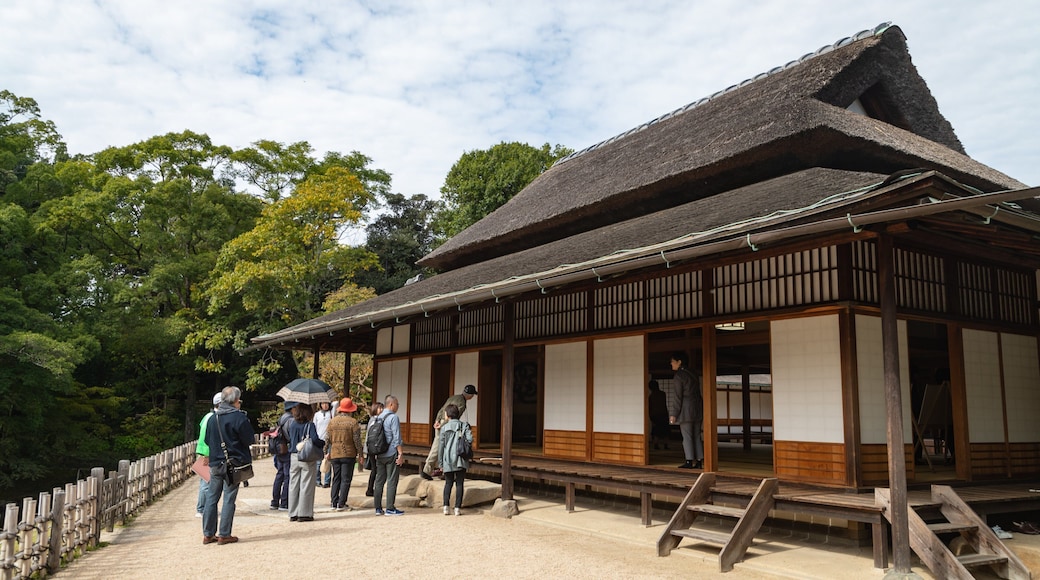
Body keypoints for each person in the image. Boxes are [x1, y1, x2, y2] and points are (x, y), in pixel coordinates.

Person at [202, 386, 254, 545]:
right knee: (229, 498)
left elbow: (206, 441)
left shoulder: (213, 418)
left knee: (212, 497)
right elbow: (249, 440)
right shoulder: (239, 417)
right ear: (236, 401)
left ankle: (208, 533)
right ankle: (224, 534)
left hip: (216, 463)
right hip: (234, 464)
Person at [421, 384, 478, 479]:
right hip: (447, 425)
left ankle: (443, 471)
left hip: (441, 422)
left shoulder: (454, 397)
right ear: (470, 395)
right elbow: (452, 416)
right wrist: (442, 425)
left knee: (442, 447)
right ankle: (427, 470)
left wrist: (437, 420)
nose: (472, 397)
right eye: (472, 395)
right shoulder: (462, 403)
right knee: (439, 447)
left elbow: (442, 409)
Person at [287, 403, 324, 522]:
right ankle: (304, 513)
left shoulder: (292, 424)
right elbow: (314, 439)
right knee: (306, 484)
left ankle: (293, 512)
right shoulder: (310, 425)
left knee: (293, 484)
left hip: (293, 456)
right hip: (306, 456)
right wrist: (322, 443)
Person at [324, 397, 363, 511]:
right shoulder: (353, 422)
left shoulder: (332, 422)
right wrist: (360, 454)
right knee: (346, 479)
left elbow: (327, 438)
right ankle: (341, 503)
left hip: (335, 453)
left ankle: (333, 502)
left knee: (336, 478)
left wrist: (325, 451)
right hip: (348, 454)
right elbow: (357, 440)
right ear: (350, 410)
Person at [668, 352, 703, 469]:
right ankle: (699, 461)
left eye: (673, 361)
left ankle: (689, 460)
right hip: (697, 407)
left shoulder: (679, 375)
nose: (671, 363)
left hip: (686, 409)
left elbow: (678, 396)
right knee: (697, 435)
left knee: (687, 436)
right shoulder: (693, 373)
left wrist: (674, 414)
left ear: (679, 362)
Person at [437, 403, 473, 516]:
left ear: (447, 415)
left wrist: (440, 463)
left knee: (448, 483)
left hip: (447, 459)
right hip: (461, 458)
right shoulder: (464, 426)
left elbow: (440, 447)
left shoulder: (444, 428)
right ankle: (457, 508)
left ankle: (446, 507)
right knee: (459, 483)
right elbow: (470, 439)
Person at [372, 395, 404, 516]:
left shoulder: (378, 417)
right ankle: (390, 508)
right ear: (391, 404)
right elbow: (397, 438)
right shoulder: (393, 418)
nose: (397, 406)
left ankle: (378, 508)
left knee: (379, 480)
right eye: (397, 404)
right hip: (391, 452)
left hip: (380, 452)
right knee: (392, 480)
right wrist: (400, 453)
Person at [195, 392, 222, 518]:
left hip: (203, 451)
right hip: (207, 453)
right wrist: (208, 454)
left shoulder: (207, 416)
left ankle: (203, 508)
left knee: (205, 482)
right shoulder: (213, 418)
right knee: (206, 483)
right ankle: (201, 509)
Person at [268, 401, 295, 510]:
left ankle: (274, 501)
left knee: (279, 475)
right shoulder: (291, 420)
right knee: (287, 476)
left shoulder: (281, 419)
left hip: (279, 449)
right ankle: (284, 502)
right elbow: (291, 436)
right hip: (287, 449)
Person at [364, 401, 384, 497]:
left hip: (373, 447)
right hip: (374, 447)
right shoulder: (375, 420)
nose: (381, 410)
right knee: (375, 469)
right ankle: (371, 489)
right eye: (379, 408)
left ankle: (371, 489)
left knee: (375, 469)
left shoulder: (374, 419)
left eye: (382, 408)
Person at [314, 400, 334, 487]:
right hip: (319, 440)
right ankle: (317, 480)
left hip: (329, 440)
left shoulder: (332, 414)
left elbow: (336, 403)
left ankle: (327, 481)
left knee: (328, 460)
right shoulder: (317, 414)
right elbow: (314, 427)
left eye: (326, 403)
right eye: (323, 403)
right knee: (318, 462)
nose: (325, 405)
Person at [648, 380, 670, 451]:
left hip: (655, 415)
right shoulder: (662, 394)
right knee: (665, 430)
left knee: (656, 430)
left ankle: (656, 444)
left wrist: (650, 416)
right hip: (664, 414)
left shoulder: (651, 396)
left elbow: (650, 407)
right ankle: (665, 444)